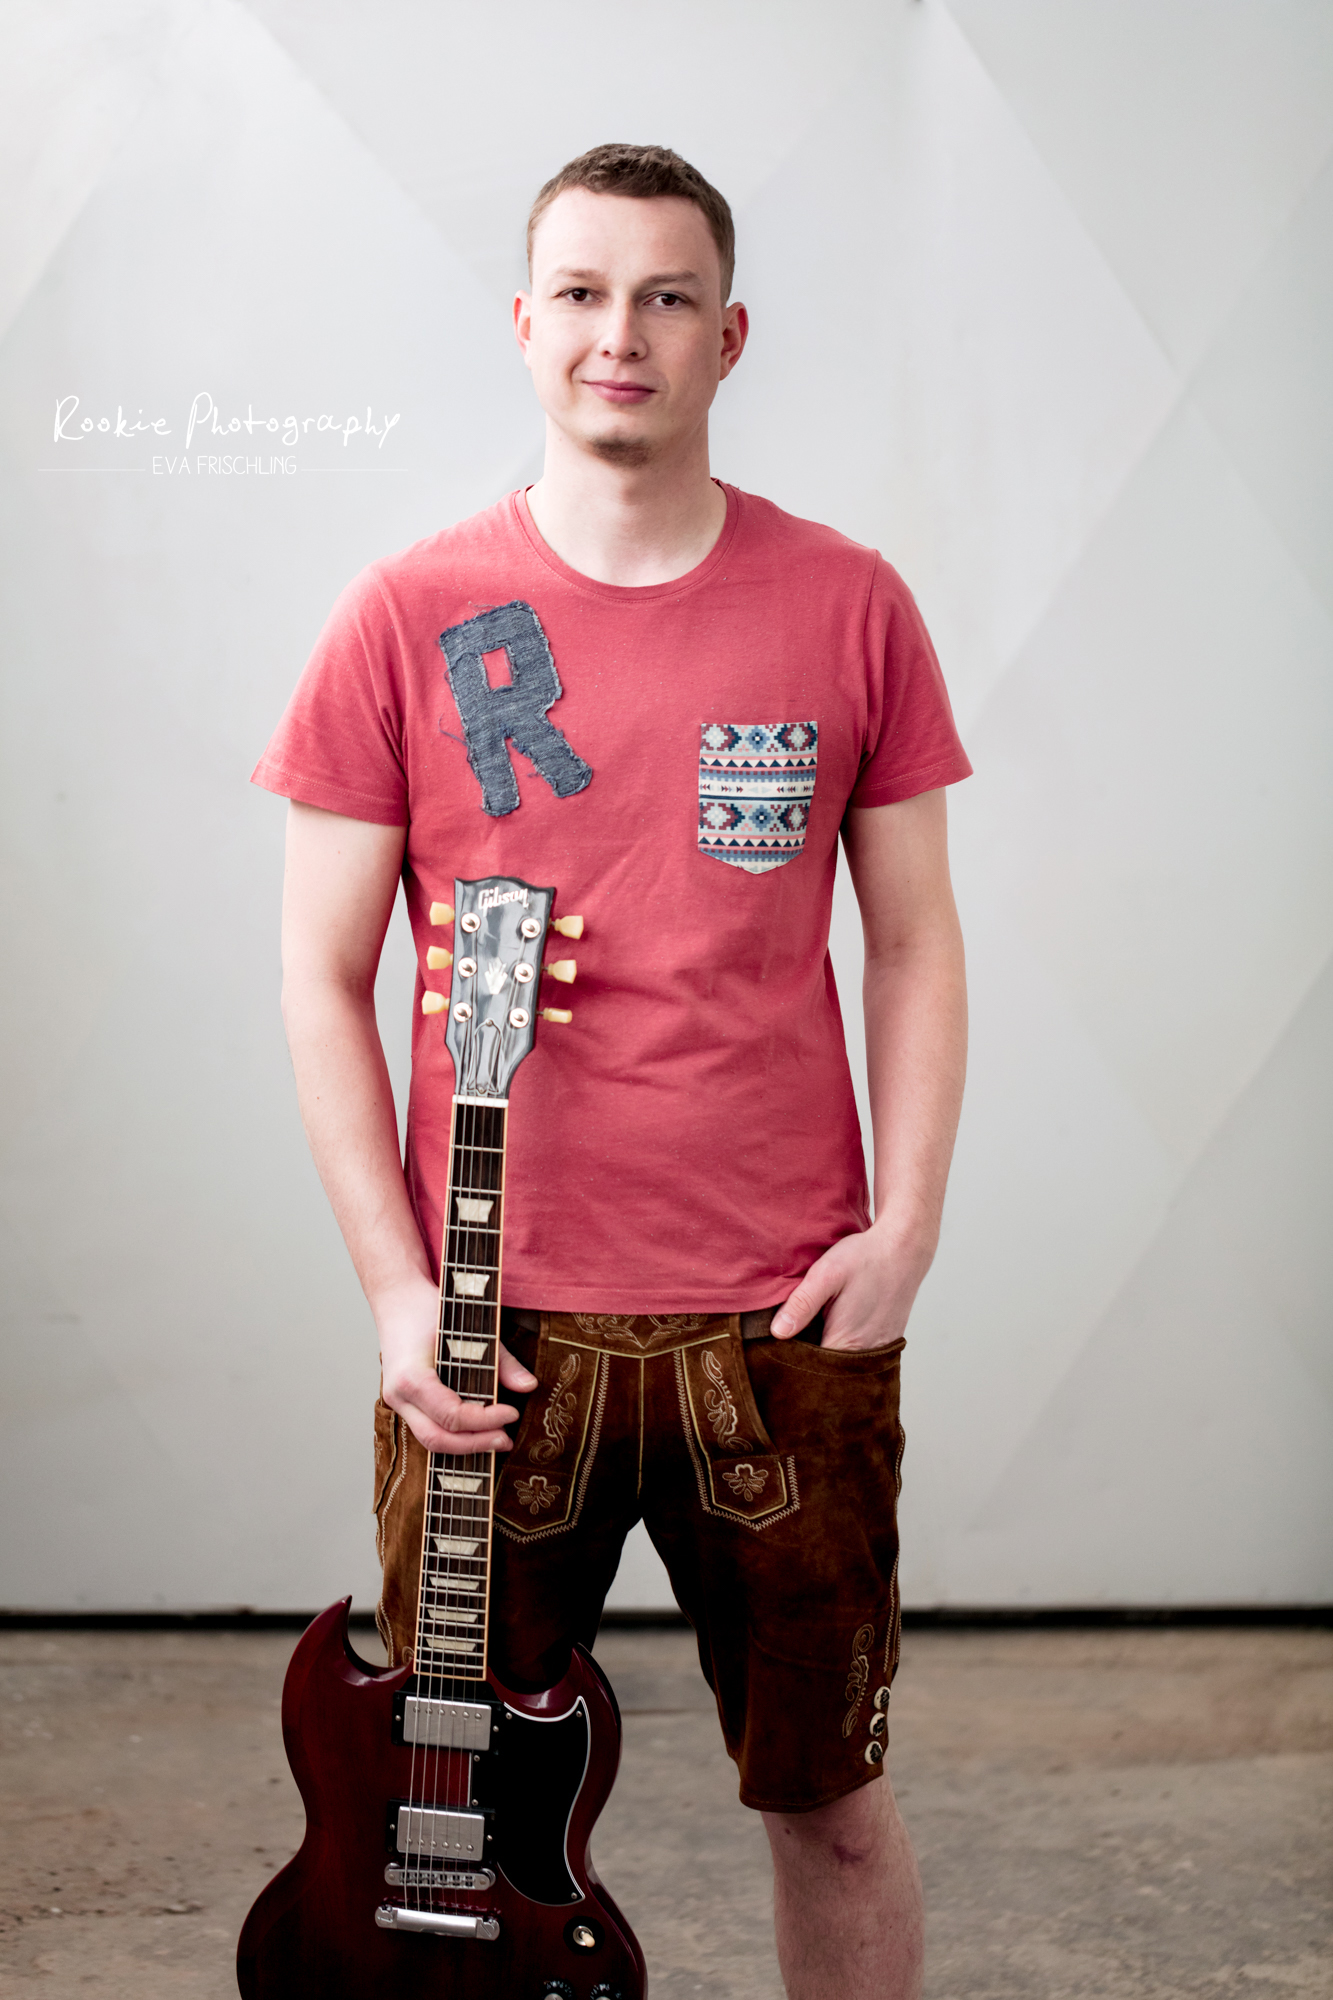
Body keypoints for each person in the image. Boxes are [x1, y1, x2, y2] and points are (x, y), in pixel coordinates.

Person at [253, 142, 970, 2000]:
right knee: (450, 1821)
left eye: (665, 296)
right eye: (580, 292)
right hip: (493, 1339)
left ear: (729, 335)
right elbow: (322, 976)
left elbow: (910, 939)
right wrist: (395, 1293)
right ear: (523, 324)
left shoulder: (849, 603)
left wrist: (904, 1227)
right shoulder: (403, 615)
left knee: (831, 1805)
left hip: (781, 1333)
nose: (619, 334)